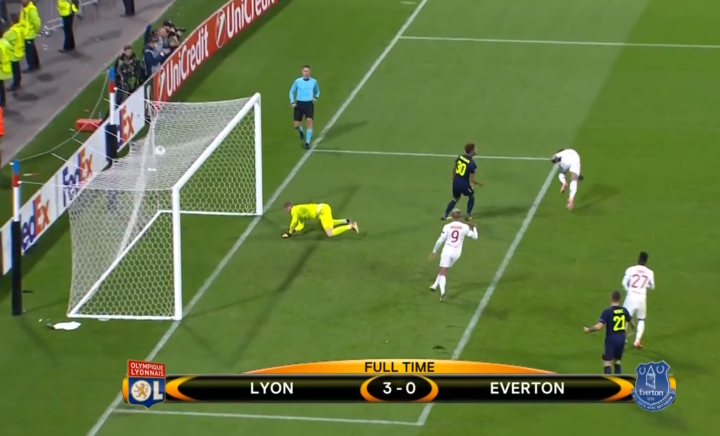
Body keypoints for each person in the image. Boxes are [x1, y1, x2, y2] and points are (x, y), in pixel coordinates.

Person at [429, 209, 478, 301]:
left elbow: (440, 240)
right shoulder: (465, 227)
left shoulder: (447, 227)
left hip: (447, 251)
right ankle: (435, 285)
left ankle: (442, 292)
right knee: (444, 269)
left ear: (451, 216)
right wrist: (474, 227)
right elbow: (475, 237)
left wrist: (434, 250)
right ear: (459, 217)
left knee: (443, 272)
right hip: (457, 253)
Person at [584, 291, 633, 374]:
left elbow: (599, 326)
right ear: (620, 299)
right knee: (617, 360)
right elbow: (631, 323)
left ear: (611, 298)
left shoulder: (607, 312)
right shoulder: (624, 310)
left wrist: (589, 330)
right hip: (622, 339)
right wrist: (631, 332)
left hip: (611, 340)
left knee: (606, 361)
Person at [622, 251, 655, 349]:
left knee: (624, 318)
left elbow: (624, 283)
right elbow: (652, 286)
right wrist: (646, 285)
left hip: (631, 296)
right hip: (641, 298)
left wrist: (629, 290)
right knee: (641, 319)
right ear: (646, 261)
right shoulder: (650, 272)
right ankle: (637, 341)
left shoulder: (630, 269)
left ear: (638, 259)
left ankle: (623, 338)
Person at [442, 143, 483, 221]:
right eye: (475, 149)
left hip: (455, 182)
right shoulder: (472, 164)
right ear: (472, 151)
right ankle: (468, 215)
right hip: (464, 184)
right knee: (471, 196)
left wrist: (453, 176)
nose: (476, 150)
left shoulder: (460, 157)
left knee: (455, 198)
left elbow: (454, 167)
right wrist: (478, 183)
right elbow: (472, 180)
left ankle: (445, 214)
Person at [281, 201, 358, 238]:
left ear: (288, 208)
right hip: (322, 211)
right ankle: (346, 221)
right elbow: (300, 226)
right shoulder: (298, 213)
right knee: (329, 222)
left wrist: (289, 232)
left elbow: (294, 222)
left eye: (285, 210)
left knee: (330, 233)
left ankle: (351, 226)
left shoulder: (294, 211)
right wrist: (293, 231)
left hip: (322, 211)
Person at [289, 65, 320, 150]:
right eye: (304, 71)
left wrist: (316, 97)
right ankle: (301, 131)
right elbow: (291, 91)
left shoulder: (314, 81)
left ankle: (307, 143)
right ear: (302, 72)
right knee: (296, 125)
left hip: (309, 104)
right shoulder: (297, 81)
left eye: (307, 71)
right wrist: (292, 101)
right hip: (299, 104)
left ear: (310, 72)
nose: (306, 73)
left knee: (309, 122)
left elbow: (317, 91)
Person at [1, 14, 24, 91]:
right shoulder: (19, 28)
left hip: (12, 53)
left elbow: (5, 36)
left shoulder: (12, 31)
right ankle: (17, 82)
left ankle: (16, 84)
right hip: (17, 51)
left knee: (15, 69)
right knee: (16, 68)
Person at [20, 0, 41, 72]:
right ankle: (36, 64)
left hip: (29, 34)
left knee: (29, 52)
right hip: (26, 33)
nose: (22, 1)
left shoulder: (31, 9)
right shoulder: (25, 8)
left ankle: (31, 66)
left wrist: (36, 30)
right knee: (32, 49)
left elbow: (36, 22)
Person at [0, 41, 11, 107]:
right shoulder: (4, 42)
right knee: (1, 86)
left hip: (1, 69)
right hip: (4, 68)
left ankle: (1, 103)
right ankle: (2, 101)